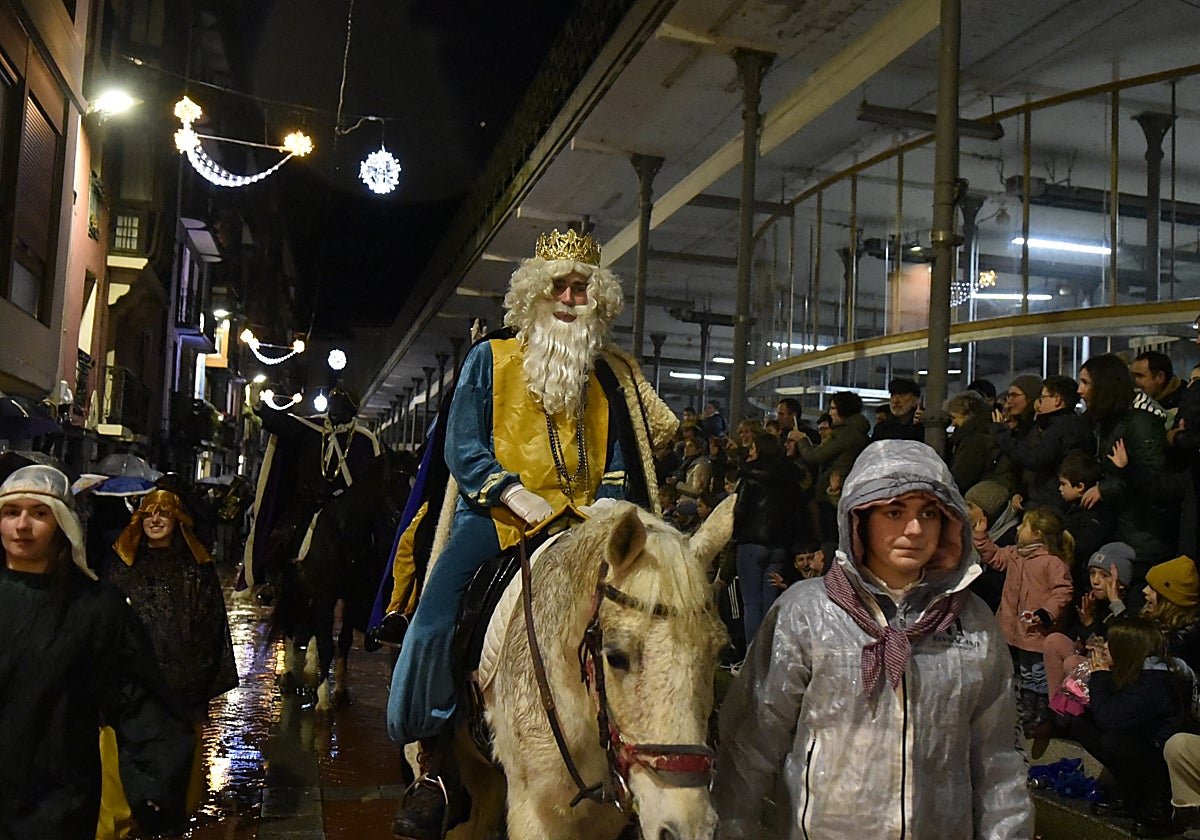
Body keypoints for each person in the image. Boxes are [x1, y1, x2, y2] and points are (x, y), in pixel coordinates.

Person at [386, 228, 674, 839]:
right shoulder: (489, 359)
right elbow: (463, 447)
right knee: (438, 613)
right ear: (535, 294)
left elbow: (620, 457)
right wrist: (510, 491)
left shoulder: (606, 378)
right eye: (561, 287)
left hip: (585, 528)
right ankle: (434, 768)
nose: (572, 298)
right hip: (498, 519)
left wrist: (609, 504)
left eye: (583, 289)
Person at [715, 440, 1032, 838]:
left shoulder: (971, 623)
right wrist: (731, 827)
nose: (914, 529)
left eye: (928, 513)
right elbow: (750, 745)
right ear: (858, 518)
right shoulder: (807, 614)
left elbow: (998, 761)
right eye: (894, 512)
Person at [0, 466, 194, 839]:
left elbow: (137, 697)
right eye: (11, 513)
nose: (22, 526)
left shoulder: (96, 609)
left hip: (59, 799)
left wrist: (155, 782)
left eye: (38, 513)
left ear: (62, 523)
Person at [1075, 618, 1189, 837]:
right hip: (1144, 747)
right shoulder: (1137, 670)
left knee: (1116, 740)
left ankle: (1157, 808)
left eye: (1112, 642)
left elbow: (1110, 717)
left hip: (1164, 762)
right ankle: (1133, 799)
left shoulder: (1157, 680)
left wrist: (1100, 675)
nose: (1105, 646)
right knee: (1082, 723)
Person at [972, 506, 1075, 738]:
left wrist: (1046, 612)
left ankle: (1041, 715)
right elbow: (995, 557)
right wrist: (981, 537)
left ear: (1037, 532)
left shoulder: (1052, 563)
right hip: (1016, 628)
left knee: (1038, 672)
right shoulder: (1017, 554)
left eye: (1024, 526)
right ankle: (1027, 712)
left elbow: (1063, 590)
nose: (1018, 529)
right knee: (1025, 672)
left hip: (1037, 630)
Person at [1079, 353, 1177, 581]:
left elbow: (1156, 479)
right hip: (1125, 528)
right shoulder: (1108, 421)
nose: (1080, 391)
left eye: (1085, 383)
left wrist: (1105, 489)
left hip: (1146, 535)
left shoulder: (1139, 423)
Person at [733, 432, 804, 644]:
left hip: (751, 544)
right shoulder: (791, 476)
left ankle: (753, 660)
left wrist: (736, 535)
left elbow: (739, 510)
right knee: (770, 604)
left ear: (760, 449)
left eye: (753, 448)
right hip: (779, 546)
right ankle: (770, 656)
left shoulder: (749, 476)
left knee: (752, 604)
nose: (750, 452)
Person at [995, 374, 1090, 511]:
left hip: (1051, 505)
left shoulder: (1062, 427)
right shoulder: (1063, 424)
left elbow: (1036, 458)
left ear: (1057, 399)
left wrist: (1000, 435)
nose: (1039, 403)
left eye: (1043, 398)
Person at [1140, 555, 1200, 673]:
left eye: (1152, 588)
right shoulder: (1163, 625)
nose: (1145, 590)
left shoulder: (1181, 643)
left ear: (1168, 600)